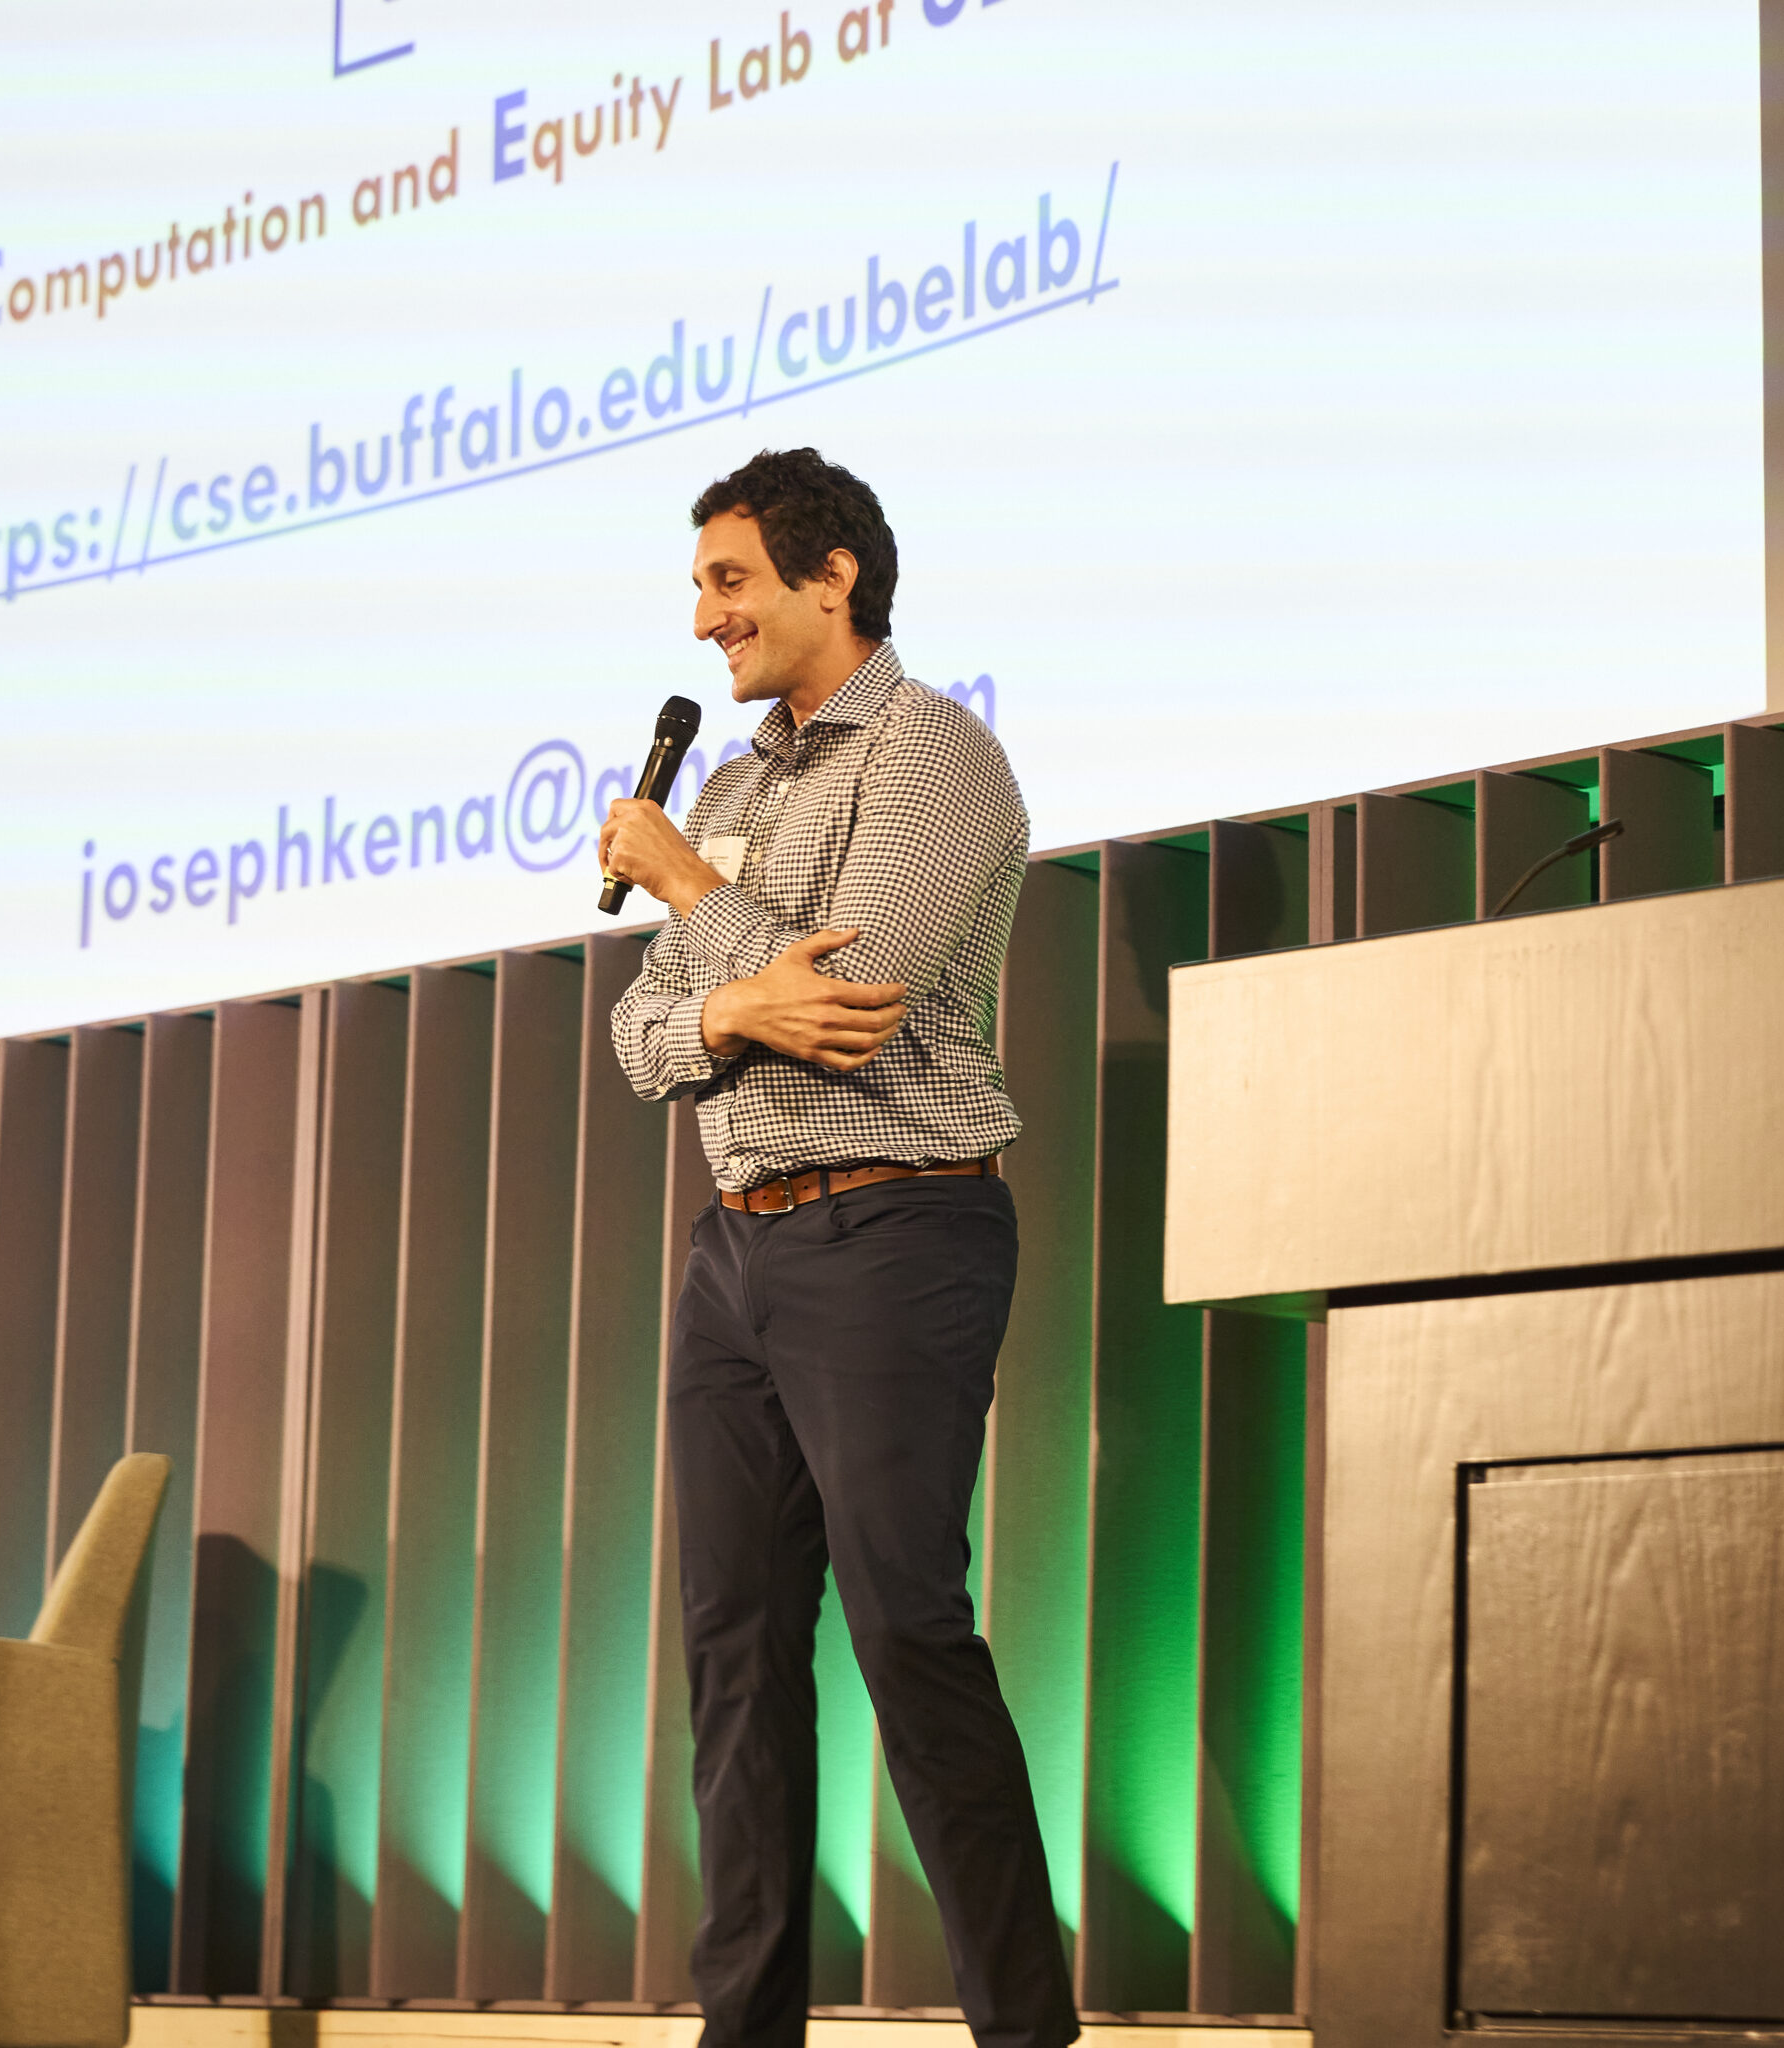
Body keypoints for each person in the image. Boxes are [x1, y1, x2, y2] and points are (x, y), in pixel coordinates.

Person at [603, 447, 1077, 2048]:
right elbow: (641, 1036)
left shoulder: (934, 751)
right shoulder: (731, 792)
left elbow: (854, 1006)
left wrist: (690, 904)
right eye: (699, 588)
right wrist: (735, 998)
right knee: (734, 1661)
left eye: (728, 582)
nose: (703, 620)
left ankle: (1024, 2033)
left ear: (834, 577)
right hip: (733, 1252)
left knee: (905, 1628)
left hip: (897, 1226)